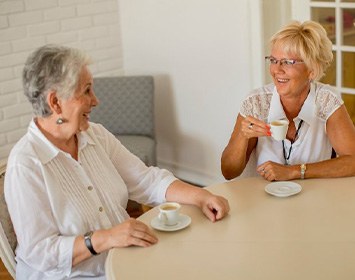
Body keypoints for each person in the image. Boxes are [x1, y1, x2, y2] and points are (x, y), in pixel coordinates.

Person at [4, 44, 230, 280]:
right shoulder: (26, 165)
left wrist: (201, 196)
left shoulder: (95, 135)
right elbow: (40, 253)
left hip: (123, 261)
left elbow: (146, 180)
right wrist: (105, 238)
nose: (96, 101)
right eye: (87, 90)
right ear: (55, 102)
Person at [221, 20, 355, 182]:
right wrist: (243, 136)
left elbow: (352, 161)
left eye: (288, 62)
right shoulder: (256, 102)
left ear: (311, 70)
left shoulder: (326, 101)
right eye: (273, 60)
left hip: (314, 199)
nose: (277, 70)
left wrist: (295, 171)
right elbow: (228, 172)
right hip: (263, 200)